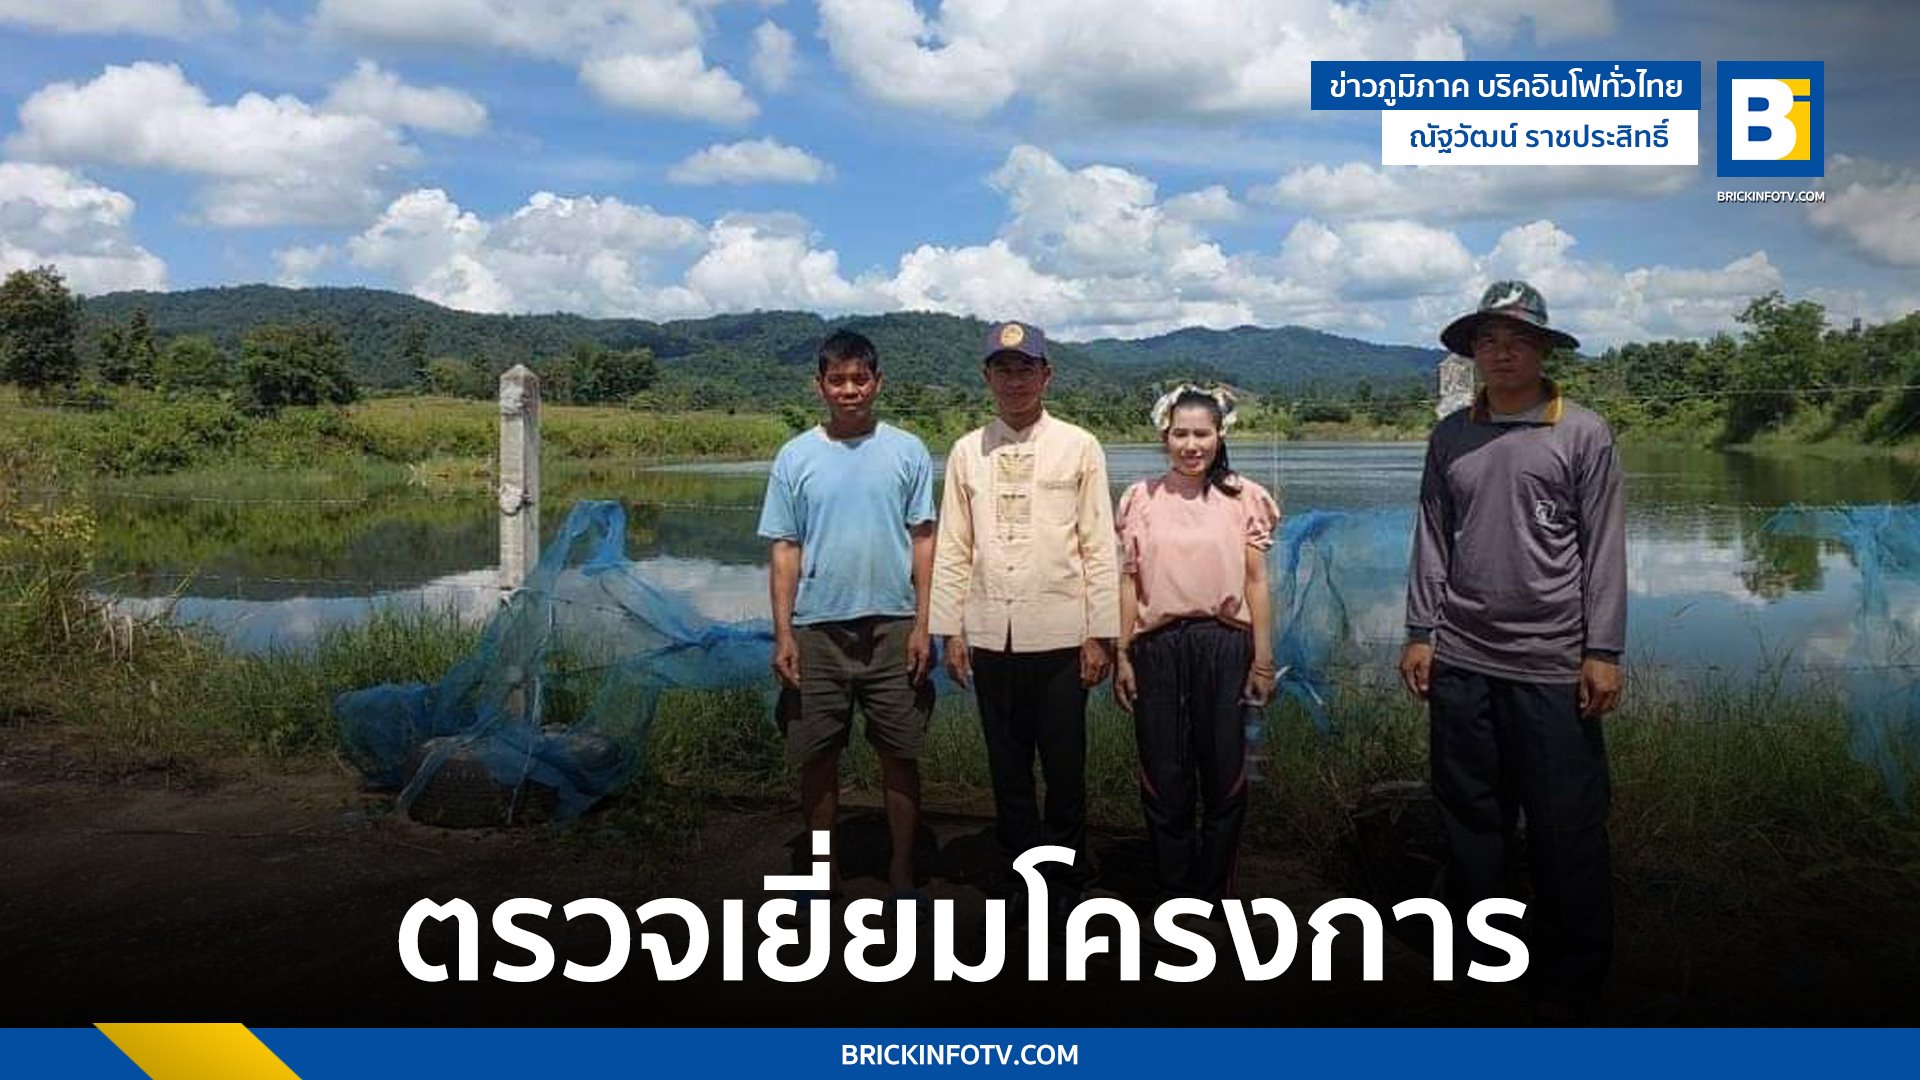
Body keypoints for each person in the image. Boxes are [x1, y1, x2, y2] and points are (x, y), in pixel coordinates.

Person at [1399, 280, 1627, 1015]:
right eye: (1489, 342)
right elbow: (1433, 538)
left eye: (1518, 341)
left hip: (1552, 662)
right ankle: (1485, 960)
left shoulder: (1582, 433)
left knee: (1566, 824)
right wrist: (1420, 632)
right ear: (1473, 353)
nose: (1502, 354)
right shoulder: (1451, 436)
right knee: (1471, 819)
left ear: (1543, 351)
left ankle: (1572, 980)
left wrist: (1603, 650)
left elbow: (1604, 547)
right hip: (1463, 657)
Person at [929, 320, 1119, 914]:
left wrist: (1101, 634)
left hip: (1061, 632)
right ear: (987, 377)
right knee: (1007, 766)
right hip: (990, 632)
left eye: (1025, 368)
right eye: (1003, 369)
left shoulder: (1079, 446)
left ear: (1046, 375)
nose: (1014, 381)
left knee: (1064, 766)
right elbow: (954, 545)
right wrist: (950, 630)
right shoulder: (968, 451)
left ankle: (1063, 878)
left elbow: (1099, 544)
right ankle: (1019, 875)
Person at [758, 329, 936, 902]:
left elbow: (923, 540)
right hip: (816, 628)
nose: (850, 389)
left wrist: (925, 624)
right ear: (820, 386)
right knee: (817, 754)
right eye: (838, 379)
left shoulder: (907, 450)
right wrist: (783, 632)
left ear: (878, 383)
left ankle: (901, 869)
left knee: (899, 752)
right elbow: (785, 548)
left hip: (894, 624)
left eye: (860, 378)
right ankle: (822, 873)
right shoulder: (796, 456)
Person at [1112, 385, 1280, 905]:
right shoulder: (1140, 498)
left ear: (1219, 435)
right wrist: (1122, 652)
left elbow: (1256, 583)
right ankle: (1175, 891)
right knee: (1164, 774)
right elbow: (1128, 582)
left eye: (1202, 434)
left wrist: (1263, 659)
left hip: (1224, 644)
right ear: (1164, 436)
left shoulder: (1243, 497)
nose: (1191, 445)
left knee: (1225, 773)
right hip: (1157, 648)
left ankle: (1214, 891)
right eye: (1180, 433)